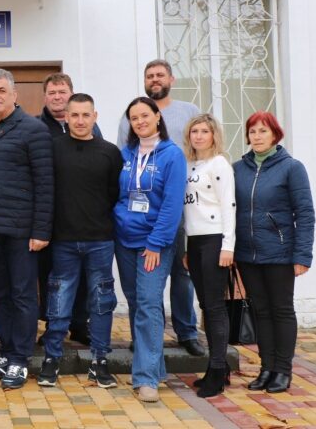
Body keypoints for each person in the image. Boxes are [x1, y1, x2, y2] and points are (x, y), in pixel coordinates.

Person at [0, 69, 53, 390]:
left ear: (14, 95)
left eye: (1, 91)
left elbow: (45, 184)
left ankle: (20, 357)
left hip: (21, 231)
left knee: (22, 295)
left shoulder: (34, 130)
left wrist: (41, 230)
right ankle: (6, 352)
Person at [117, 59, 204, 357]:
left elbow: (202, 145)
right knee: (143, 290)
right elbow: (124, 158)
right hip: (143, 211)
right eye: (149, 76)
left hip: (181, 204)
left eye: (160, 75)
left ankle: (186, 331)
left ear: (171, 79)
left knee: (182, 272)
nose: (155, 79)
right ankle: (142, 336)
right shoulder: (130, 117)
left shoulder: (189, 111)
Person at [37, 94, 122, 388]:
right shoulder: (53, 148)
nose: (80, 121)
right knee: (59, 301)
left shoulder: (110, 152)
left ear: (95, 116)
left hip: (100, 240)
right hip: (63, 241)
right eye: (75, 115)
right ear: (66, 117)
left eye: (86, 115)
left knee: (101, 302)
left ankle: (99, 361)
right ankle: (52, 358)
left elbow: (114, 194)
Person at [233, 111, 315, 394]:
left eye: (263, 131)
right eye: (252, 131)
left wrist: (302, 255)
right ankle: (266, 368)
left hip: (280, 252)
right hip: (247, 254)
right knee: (261, 311)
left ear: (275, 134)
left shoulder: (292, 168)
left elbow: (305, 214)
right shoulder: (238, 169)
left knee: (281, 310)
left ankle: (283, 370)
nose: (257, 136)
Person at [114, 96, 187, 403]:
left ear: (158, 116)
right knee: (136, 302)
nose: (140, 121)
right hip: (124, 239)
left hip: (154, 243)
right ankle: (155, 368)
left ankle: (146, 379)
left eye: (145, 115)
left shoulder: (172, 155)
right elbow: (117, 194)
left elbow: (172, 205)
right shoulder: (125, 154)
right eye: (134, 118)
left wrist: (156, 243)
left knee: (148, 303)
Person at [37, 73, 103, 346]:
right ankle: (53, 326)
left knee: (84, 278)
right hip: (51, 220)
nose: (57, 97)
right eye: (52, 92)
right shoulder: (36, 128)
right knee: (52, 278)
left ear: (71, 93)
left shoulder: (91, 128)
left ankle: (79, 324)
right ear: (45, 96)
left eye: (62, 91)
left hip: (85, 219)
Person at [182, 113, 235, 398]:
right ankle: (218, 366)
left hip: (215, 239)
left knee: (215, 307)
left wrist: (228, 246)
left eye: (204, 131)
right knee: (205, 304)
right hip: (195, 241)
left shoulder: (219, 164)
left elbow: (229, 206)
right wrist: (187, 248)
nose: (199, 136)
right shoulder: (189, 165)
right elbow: (188, 210)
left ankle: (216, 370)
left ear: (214, 135)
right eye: (195, 131)